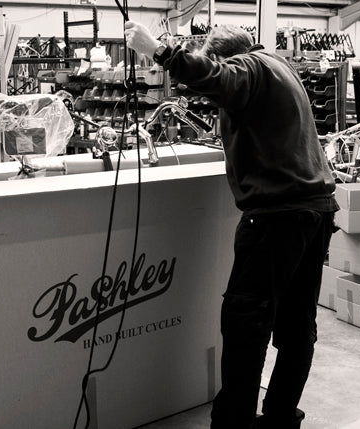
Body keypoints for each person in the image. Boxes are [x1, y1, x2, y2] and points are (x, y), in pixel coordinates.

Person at [125, 21, 338, 429]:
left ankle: (233, 423)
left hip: (277, 218)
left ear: (226, 57)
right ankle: (279, 417)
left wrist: (158, 50)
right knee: (296, 326)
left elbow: (214, 78)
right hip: (314, 210)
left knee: (246, 324)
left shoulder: (249, 68)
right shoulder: (278, 65)